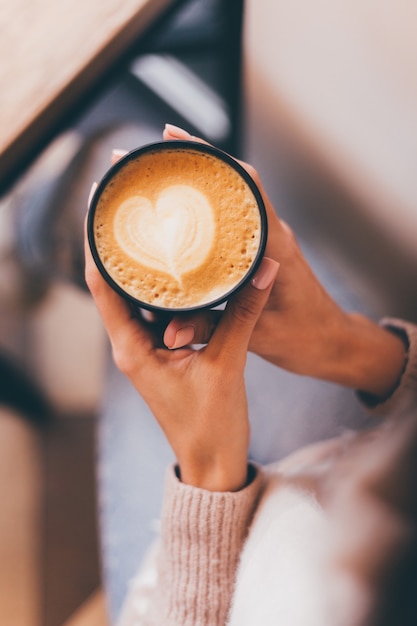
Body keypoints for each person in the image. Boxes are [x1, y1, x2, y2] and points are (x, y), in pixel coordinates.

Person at [85, 124, 417, 626]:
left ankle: (27, 229)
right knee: (119, 168)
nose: (363, 475)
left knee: (99, 170)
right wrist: (349, 347)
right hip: (317, 458)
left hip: (196, 572)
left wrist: (209, 477)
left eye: (376, 504)